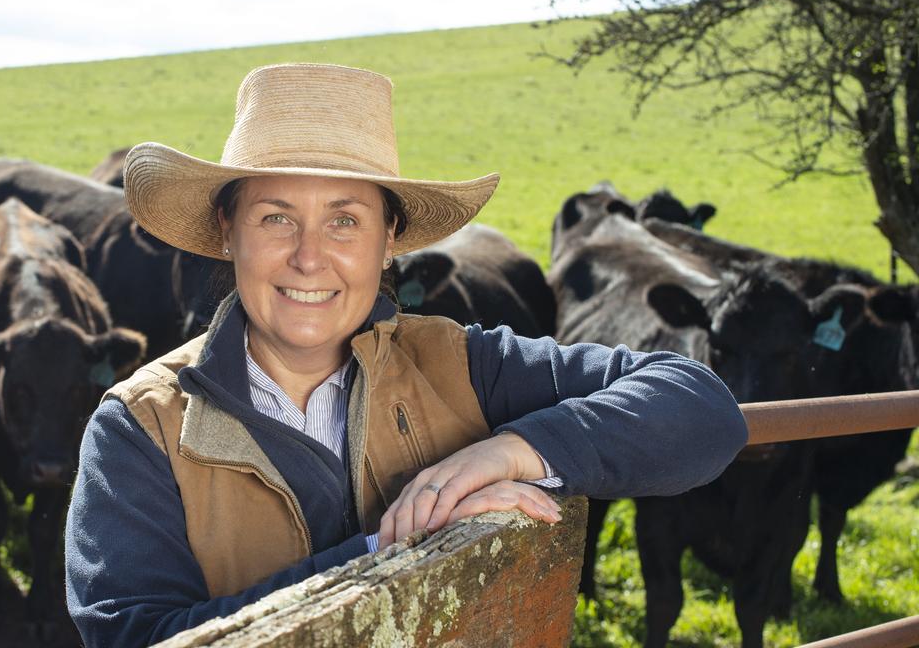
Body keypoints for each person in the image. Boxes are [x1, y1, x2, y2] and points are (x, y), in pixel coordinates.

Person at [65, 63, 748, 646]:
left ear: (389, 238)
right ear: (228, 230)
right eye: (276, 216)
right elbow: (143, 636)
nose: (309, 257)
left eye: (344, 220)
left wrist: (509, 452)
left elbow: (703, 409)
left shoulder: (459, 364)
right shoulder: (140, 430)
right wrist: (394, 555)